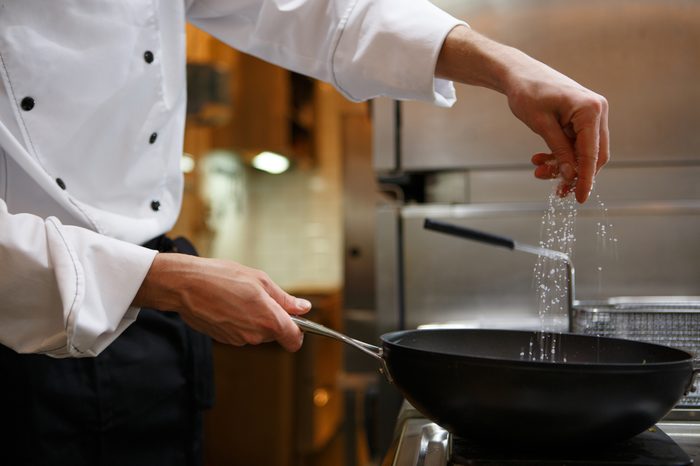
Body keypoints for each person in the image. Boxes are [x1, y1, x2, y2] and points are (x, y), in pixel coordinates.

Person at [0, 1, 609, 465]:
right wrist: (161, 281)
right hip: (22, 332)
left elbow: (315, 9)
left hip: (146, 332)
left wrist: (505, 64)